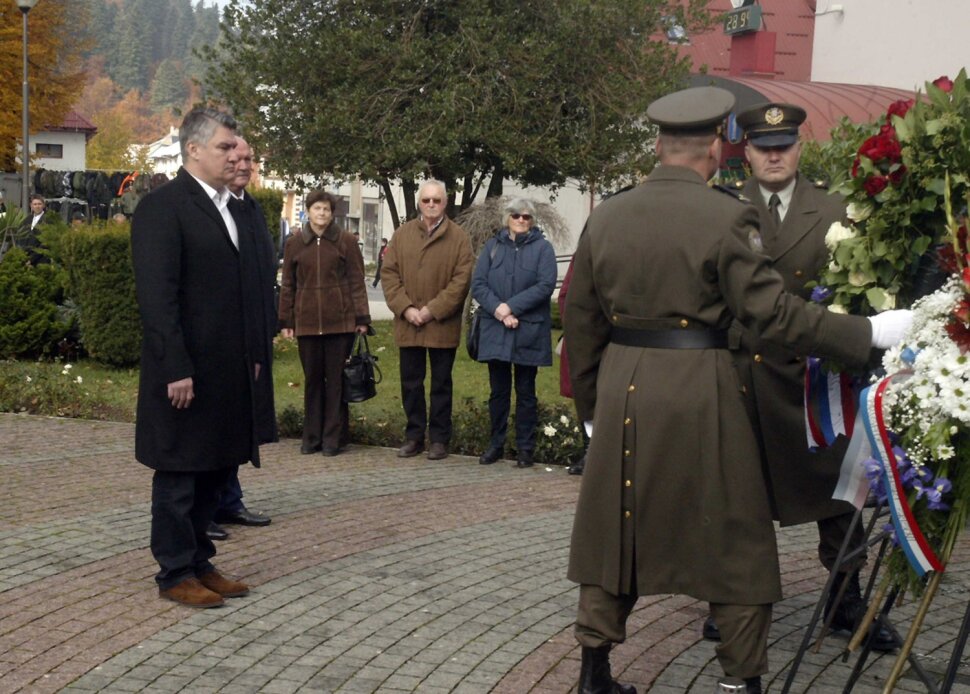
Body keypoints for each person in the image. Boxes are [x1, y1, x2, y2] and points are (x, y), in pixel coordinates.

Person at [563, 86, 912, 693]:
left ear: (658, 146)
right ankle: (742, 678)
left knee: (613, 529)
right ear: (718, 149)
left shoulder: (608, 216)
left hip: (625, 387)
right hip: (703, 384)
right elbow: (772, 314)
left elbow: (581, 320)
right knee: (735, 535)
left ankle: (595, 673)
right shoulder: (727, 216)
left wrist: (593, 408)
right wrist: (869, 332)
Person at [692, 102, 897, 651]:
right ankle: (730, 602)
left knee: (839, 493)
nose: (774, 156)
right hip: (742, 372)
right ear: (747, 152)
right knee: (737, 495)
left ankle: (846, 601)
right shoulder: (722, 207)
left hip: (814, 375)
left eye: (784, 145)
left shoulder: (834, 208)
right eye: (764, 147)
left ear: (800, 148)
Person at [131, 107, 270, 608]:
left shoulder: (234, 208)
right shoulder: (163, 208)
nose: (234, 155)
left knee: (215, 467)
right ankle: (174, 572)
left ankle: (199, 561)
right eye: (224, 147)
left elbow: (247, 288)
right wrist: (176, 367)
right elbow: (158, 298)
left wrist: (256, 352)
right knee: (181, 472)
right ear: (193, 150)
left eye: (236, 147)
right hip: (185, 372)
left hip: (227, 370)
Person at [206, 136, 279, 540]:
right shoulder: (213, 210)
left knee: (239, 421)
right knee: (215, 425)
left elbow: (263, 273)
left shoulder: (251, 208)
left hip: (252, 337)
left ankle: (229, 499)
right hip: (221, 339)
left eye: (249, 158)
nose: (244, 165)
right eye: (236, 158)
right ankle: (204, 506)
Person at [380, 180, 474, 461]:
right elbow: (389, 275)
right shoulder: (402, 235)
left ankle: (439, 439)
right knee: (411, 383)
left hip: (441, 325)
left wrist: (432, 310)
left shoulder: (459, 238)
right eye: (426, 200)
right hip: (408, 323)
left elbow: (461, 280)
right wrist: (406, 308)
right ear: (419, 203)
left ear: (445, 203)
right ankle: (414, 436)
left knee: (441, 385)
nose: (431, 204)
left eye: (437, 200)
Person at [278, 189, 370, 456]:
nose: (321, 213)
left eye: (326, 209)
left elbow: (356, 281)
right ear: (308, 211)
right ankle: (311, 437)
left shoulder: (346, 241)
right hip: (306, 324)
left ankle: (333, 438)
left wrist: (361, 318)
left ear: (332, 214)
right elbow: (288, 285)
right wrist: (286, 320)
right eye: (317, 208)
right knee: (313, 381)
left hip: (339, 324)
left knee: (336, 382)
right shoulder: (295, 243)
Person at [471, 198, 557, 468]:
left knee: (526, 393)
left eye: (526, 217)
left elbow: (545, 285)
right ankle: (495, 445)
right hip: (496, 328)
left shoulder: (543, 249)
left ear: (532, 221)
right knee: (498, 392)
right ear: (507, 218)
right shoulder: (492, 246)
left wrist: (511, 307)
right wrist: (499, 310)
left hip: (528, 331)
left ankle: (525, 449)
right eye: (516, 215)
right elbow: (478, 283)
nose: (521, 220)